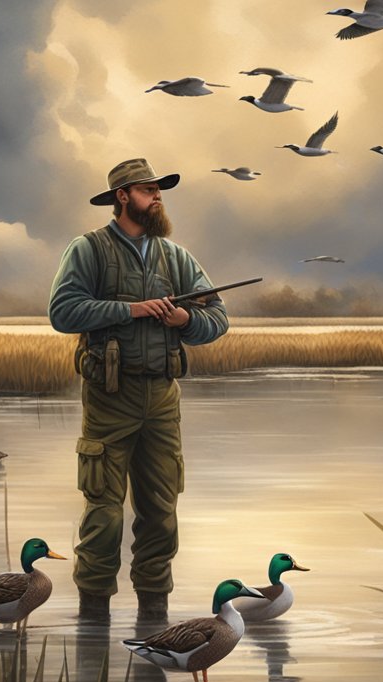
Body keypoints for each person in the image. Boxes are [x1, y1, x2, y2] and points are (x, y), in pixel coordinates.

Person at [48, 158, 230, 623]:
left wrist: (184, 319)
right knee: (104, 515)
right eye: (149, 190)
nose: (158, 197)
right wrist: (133, 310)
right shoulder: (88, 249)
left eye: (160, 190)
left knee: (162, 514)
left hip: (163, 402)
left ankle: (155, 620)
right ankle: (93, 623)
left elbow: (219, 320)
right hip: (110, 397)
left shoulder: (178, 257)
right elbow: (64, 313)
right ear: (123, 196)